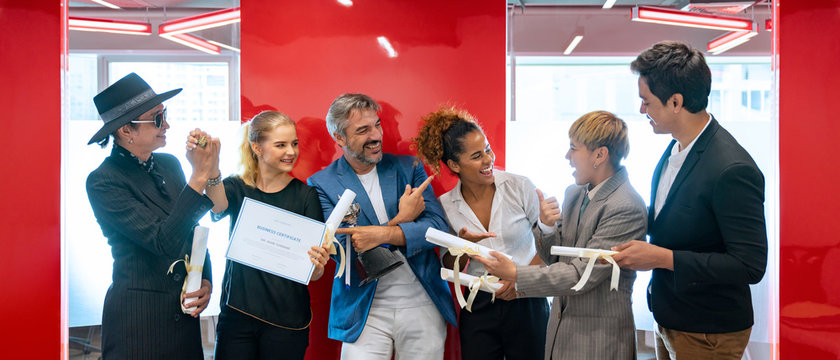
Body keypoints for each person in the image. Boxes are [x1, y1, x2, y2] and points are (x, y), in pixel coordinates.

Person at [611, 41, 767, 360]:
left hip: (709, 332)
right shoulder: (676, 147)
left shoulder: (732, 169)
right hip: (672, 318)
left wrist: (662, 258)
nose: (642, 110)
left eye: (646, 101)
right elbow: (675, 221)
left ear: (676, 102)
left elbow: (749, 265)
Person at [473, 110, 647, 360]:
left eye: (573, 148)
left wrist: (514, 273)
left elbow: (580, 274)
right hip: (561, 333)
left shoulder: (625, 206)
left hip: (599, 341)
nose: (568, 156)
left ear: (600, 154)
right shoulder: (575, 193)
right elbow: (556, 258)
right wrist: (545, 227)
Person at [307, 93, 456, 360]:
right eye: (363, 130)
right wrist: (402, 220)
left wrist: (380, 233)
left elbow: (436, 229)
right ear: (339, 138)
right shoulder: (321, 184)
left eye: (377, 125)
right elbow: (346, 250)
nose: (376, 135)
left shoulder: (409, 168)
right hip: (362, 308)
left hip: (422, 301)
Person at [85, 72, 217, 359]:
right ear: (125, 131)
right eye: (157, 119)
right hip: (138, 323)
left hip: (183, 318)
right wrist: (199, 176)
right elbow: (163, 241)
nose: (166, 125)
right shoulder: (103, 181)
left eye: (164, 114)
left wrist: (205, 280)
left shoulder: (169, 164)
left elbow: (192, 231)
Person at [412, 107, 549, 360]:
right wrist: (462, 247)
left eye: (487, 149)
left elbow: (548, 242)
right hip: (479, 302)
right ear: (454, 164)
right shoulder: (445, 206)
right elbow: (448, 264)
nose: (488, 159)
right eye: (477, 156)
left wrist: (521, 279)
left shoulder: (519, 187)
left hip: (528, 299)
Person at [203, 111, 330, 360]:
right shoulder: (236, 186)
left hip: (287, 322)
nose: (291, 151)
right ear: (257, 148)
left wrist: (317, 265)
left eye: (294, 143)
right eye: (281, 145)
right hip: (237, 316)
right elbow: (215, 208)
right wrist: (212, 168)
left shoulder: (306, 196)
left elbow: (314, 274)